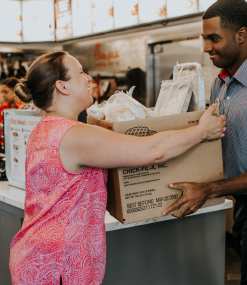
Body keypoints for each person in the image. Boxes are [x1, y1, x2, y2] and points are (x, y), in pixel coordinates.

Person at [9, 51, 226, 285]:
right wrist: (202, 131)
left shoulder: (44, 128)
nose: (89, 78)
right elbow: (154, 150)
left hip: (38, 256)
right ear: (62, 87)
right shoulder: (74, 135)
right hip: (59, 264)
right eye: (81, 72)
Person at [163, 0, 247, 284]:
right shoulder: (220, 84)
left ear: (241, 35)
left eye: (214, 39)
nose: (206, 47)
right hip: (244, 200)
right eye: (204, 39)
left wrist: (209, 188)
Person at [0, 77, 24, 146]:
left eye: (6, 92)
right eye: (1, 92)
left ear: (15, 91)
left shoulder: (23, 108)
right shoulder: (2, 108)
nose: (3, 95)